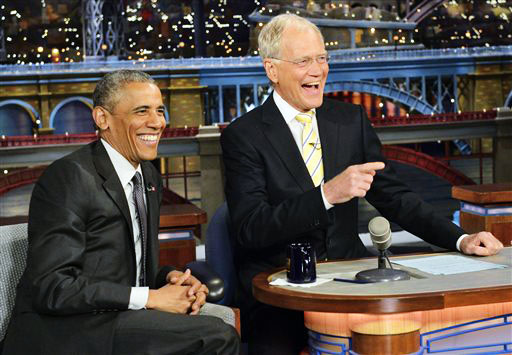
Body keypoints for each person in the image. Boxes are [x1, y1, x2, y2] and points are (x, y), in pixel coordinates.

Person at [220, 14, 503, 355]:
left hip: (352, 281)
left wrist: (460, 238)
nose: (318, 70)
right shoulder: (243, 136)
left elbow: (394, 197)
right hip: (279, 294)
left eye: (322, 58)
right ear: (272, 70)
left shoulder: (349, 120)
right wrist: (327, 195)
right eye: (304, 61)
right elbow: (250, 228)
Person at [3, 70, 240, 355]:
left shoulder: (149, 176)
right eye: (142, 111)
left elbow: (133, 270)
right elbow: (53, 287)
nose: (157, 122)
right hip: (69, 329)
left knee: (211, 323)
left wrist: (171, 279)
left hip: (116, 317)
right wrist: (152, 297)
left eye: (160, 111)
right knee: (216, 335)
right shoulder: (69, 178)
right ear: (102, 118)